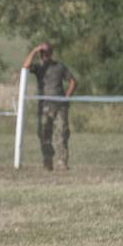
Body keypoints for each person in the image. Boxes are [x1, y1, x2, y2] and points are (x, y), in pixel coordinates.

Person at [23, 41, 77, 171]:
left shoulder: (59, 66)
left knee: (62, 133)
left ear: (51, 53)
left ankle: (62, 162)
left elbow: (73, 82)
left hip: (60, 106)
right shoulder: (38, 67)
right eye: (43, 53)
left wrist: (67, 97)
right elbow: (25, 66)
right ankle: (47, 161)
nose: (45, 55)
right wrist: (35, 50)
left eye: (47, 52)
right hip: (44, 106)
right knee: (43, 134)